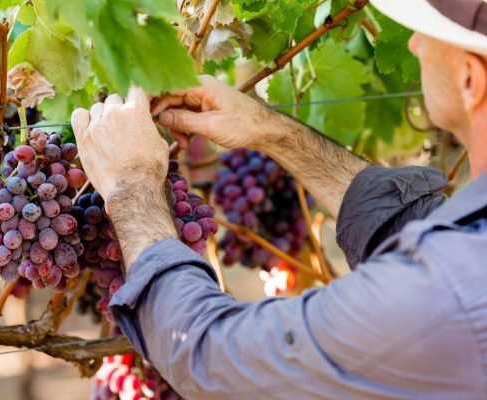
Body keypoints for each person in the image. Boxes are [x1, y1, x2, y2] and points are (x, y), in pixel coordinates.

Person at [71, 0, 487, 398]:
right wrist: (270, 131)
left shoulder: (449, 294)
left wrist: (133, 186)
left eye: (430, 34)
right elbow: (410, 223)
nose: (414, 43)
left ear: (470, 80)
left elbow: (214, 358)